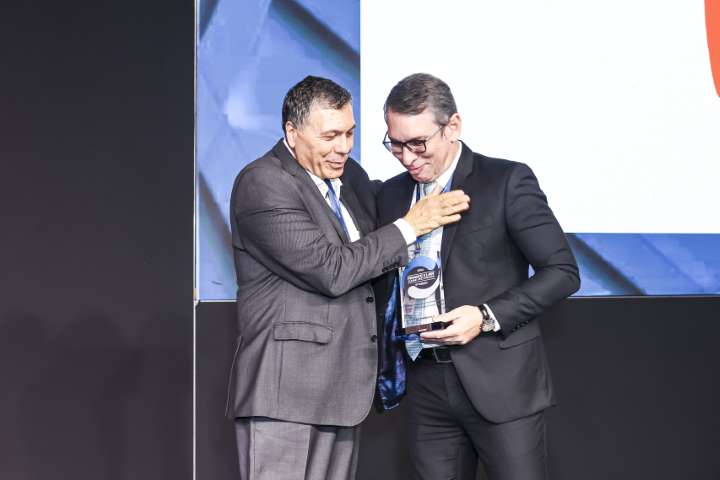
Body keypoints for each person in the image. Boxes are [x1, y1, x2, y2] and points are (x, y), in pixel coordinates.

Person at [226, 75, 469, 480]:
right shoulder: (263, 182)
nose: (343, 147)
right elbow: (332, 270)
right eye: (330, 136)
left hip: (341, 389)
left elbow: (380, 230)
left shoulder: (349, 175)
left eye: (350, 133)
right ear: (292, 132)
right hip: (285, 395)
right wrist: (411, 226)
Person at [374, 73, 580, 480]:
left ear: (453, 126)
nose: (407, 157)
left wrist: (485, 316)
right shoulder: (390, 195)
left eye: (418, 143)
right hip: (424, 384)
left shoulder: (506, 181)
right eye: (395, 144)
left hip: (501, 383)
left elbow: (562, 272)